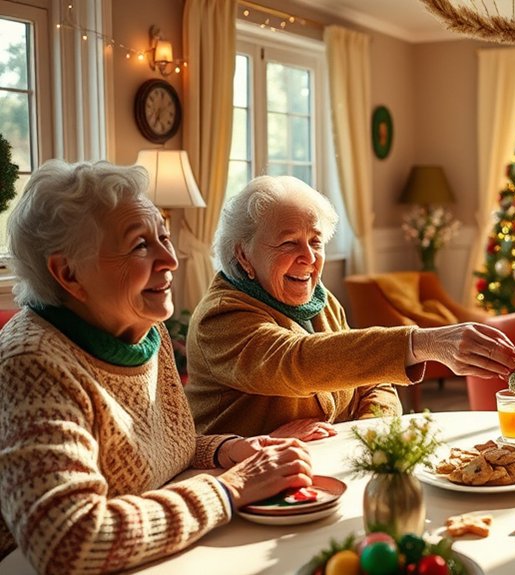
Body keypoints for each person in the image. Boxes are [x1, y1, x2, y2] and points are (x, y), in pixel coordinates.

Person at [0, 161, 313, 573]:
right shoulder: (32, 364)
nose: (170, 260)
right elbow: (66, 540)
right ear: (68, 273)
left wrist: (228, 449)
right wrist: (231, 486)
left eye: (163, 237)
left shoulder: (145, 328)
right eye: (140, 246)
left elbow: (163, 452)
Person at [186, 175, 515, 437]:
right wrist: (424, 342)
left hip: (322, 473)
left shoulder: (321, 302)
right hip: (241, 489)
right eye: (289, 243)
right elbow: (298, 361)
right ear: (243, 253)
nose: (309, 257)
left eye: (315, 241)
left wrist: (368, 433)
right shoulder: (220, 316)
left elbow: (374, 381)